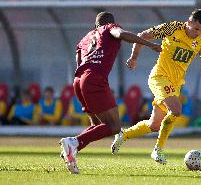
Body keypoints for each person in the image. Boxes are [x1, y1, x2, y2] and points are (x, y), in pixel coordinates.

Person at [59, 11, 161, 174]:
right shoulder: (108, 28)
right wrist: (149, 44)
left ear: (95, 25)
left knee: (97, 126)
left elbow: (78, 63)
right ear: (110, 23)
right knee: (114, 126)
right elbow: (120, 34)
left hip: (78, 81)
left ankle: (71, 151)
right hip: (94, 79)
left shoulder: (84, 39)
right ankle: (73, 142)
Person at [111, 9, 201, 164]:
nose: (198, 33)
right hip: (159, 77)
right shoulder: (173, 28)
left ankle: (123, 135)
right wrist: (134, 57)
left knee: (154, 125)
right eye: (196, 29)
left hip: (175, 84)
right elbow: (143, 36)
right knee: (176, 110)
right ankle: (158, 149)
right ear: (189, 22)